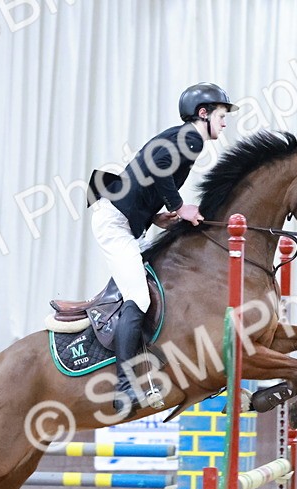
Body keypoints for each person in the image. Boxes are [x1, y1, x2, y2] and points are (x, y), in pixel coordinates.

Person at [87, 82, 236, 414]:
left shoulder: (182, 138)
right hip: (115, 224)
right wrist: (180, 206)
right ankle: (124, 387)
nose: (225, 123)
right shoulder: (192, 138)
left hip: (127, 219)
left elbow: (148, 174)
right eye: (222, 116)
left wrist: (157, 216)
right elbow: (158, 169)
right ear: (204, 113)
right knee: (138, 297)